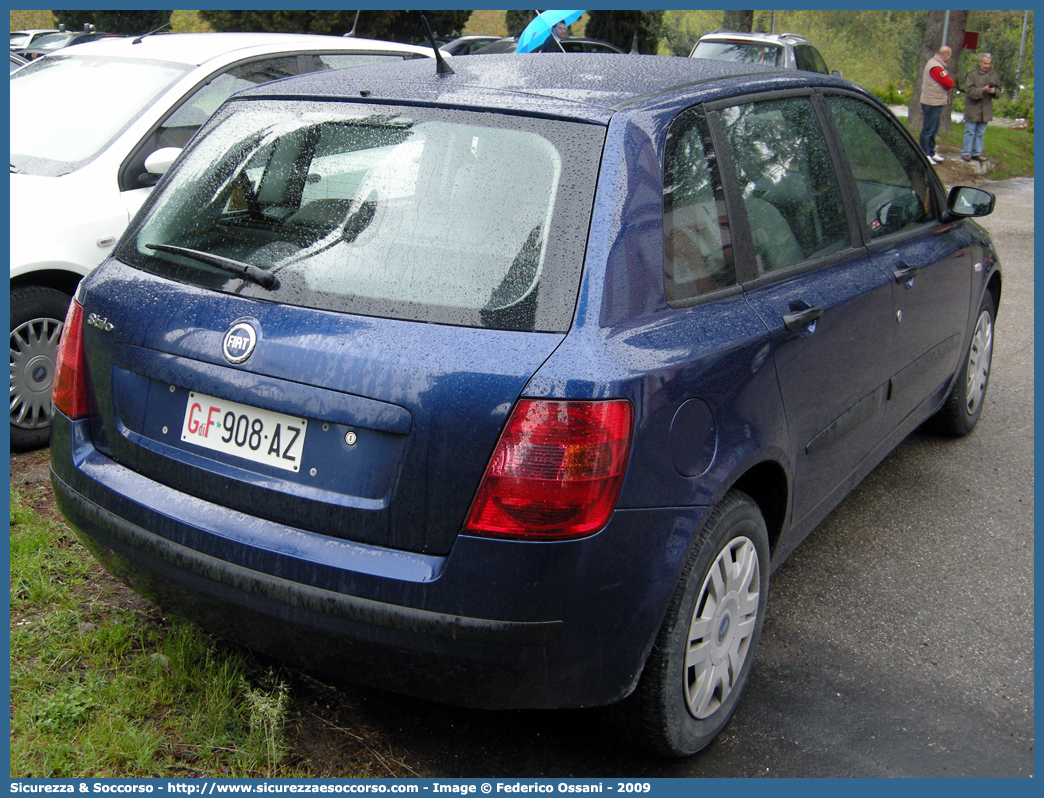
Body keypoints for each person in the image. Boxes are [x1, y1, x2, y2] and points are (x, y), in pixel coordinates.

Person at [962, 53, 1001, 162]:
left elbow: (999, 90)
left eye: (989, 64)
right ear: (979, 63)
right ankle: (966, 152)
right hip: (973, 108)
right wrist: (982, 90)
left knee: (980, 133)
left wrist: (994, 91)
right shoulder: (972, 74)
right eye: (985, 63)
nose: (987, 66)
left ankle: (977, 153)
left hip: (986, 109)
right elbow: (969, 91)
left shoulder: (994, 75)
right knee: (970, 131)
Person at [919, 45, 954, 164]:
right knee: (928, 129)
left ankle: (931, 151)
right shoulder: (936, 67)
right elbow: (948, 83)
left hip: (935, 101)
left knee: (934, 128)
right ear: (946, 55)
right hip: (931, 102)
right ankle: (925, 153)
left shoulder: (934, 63)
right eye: (949, 56)